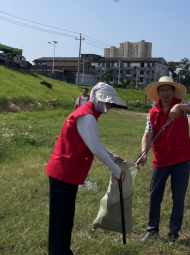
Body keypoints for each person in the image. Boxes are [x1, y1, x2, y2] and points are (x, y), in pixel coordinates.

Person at [45, 83, 128, 255]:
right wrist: (115, 169)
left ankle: (62, 250)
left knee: (65, 217)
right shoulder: (87, 116)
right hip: (64, 172)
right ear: (98, 99)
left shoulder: (88, 115)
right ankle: (57, 252)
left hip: (67, 172)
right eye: (108, 102)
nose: (110, 106)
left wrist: (112, 156)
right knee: (60, 218)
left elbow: (94, 142)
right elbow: (95, 148)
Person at [136, 76, 190, 245]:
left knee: (178, 198)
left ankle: (174, 234)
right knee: (154, 197)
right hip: (160, 160)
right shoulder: (152, 112)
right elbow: (147, 134)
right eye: (162, 90)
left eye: (168, 90)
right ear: (158, 93)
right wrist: (144, 153)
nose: (165, 93)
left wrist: (179, 106)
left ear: (173, 91)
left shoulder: (181, 104)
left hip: (181, 159)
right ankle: (152, 231)